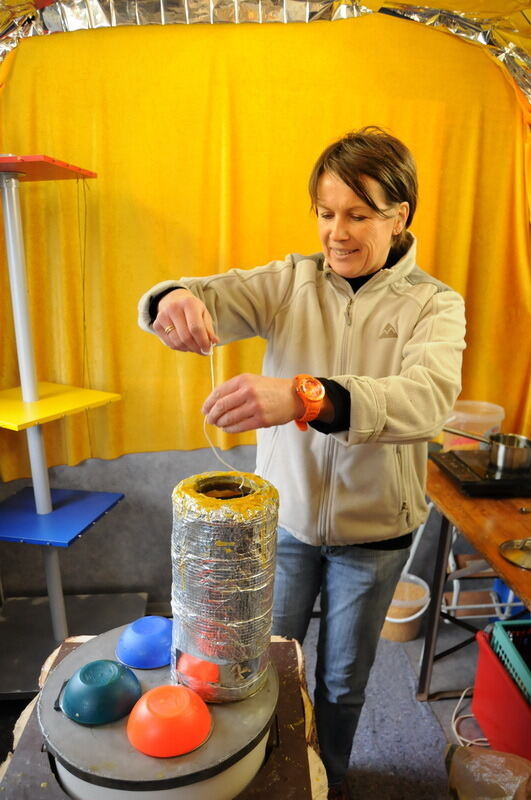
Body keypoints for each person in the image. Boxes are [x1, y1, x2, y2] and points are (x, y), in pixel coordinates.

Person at [138, 126, 466, 800]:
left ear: (398, 215)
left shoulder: (434, 305)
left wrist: (300, 395)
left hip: (374, 535)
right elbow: (206, 294)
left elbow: (425, 402)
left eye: (356, 214)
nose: (335, 232)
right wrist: (174, 301)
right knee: (261, 668)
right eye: (324, 213)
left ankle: (331, 782)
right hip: (281, 526)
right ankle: (266, 779)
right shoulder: (289, 282)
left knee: (342, 681)